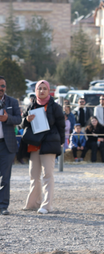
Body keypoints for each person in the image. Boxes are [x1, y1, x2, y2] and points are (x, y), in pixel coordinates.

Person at [18, 80, 65, 214]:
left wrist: (61, 142)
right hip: (34, 144)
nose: (42, 91)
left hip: (49, 144)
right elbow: (21, 125)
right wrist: (27, 120)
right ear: (36, 90)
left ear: (48, 90)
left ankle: (46, 205)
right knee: (33, 175)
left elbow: (61, 126)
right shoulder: (31, 105)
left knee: (48, 175)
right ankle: (33, 203)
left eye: (45, 88)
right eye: (40, 88)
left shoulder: (55, 107)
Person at [0, 76, 22, 215]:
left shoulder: (12, 102)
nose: (0, 88)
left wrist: (8, 119)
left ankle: (3, 206)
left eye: (2, 85)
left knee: (5, 177)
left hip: (7, 145)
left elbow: (19, 119)